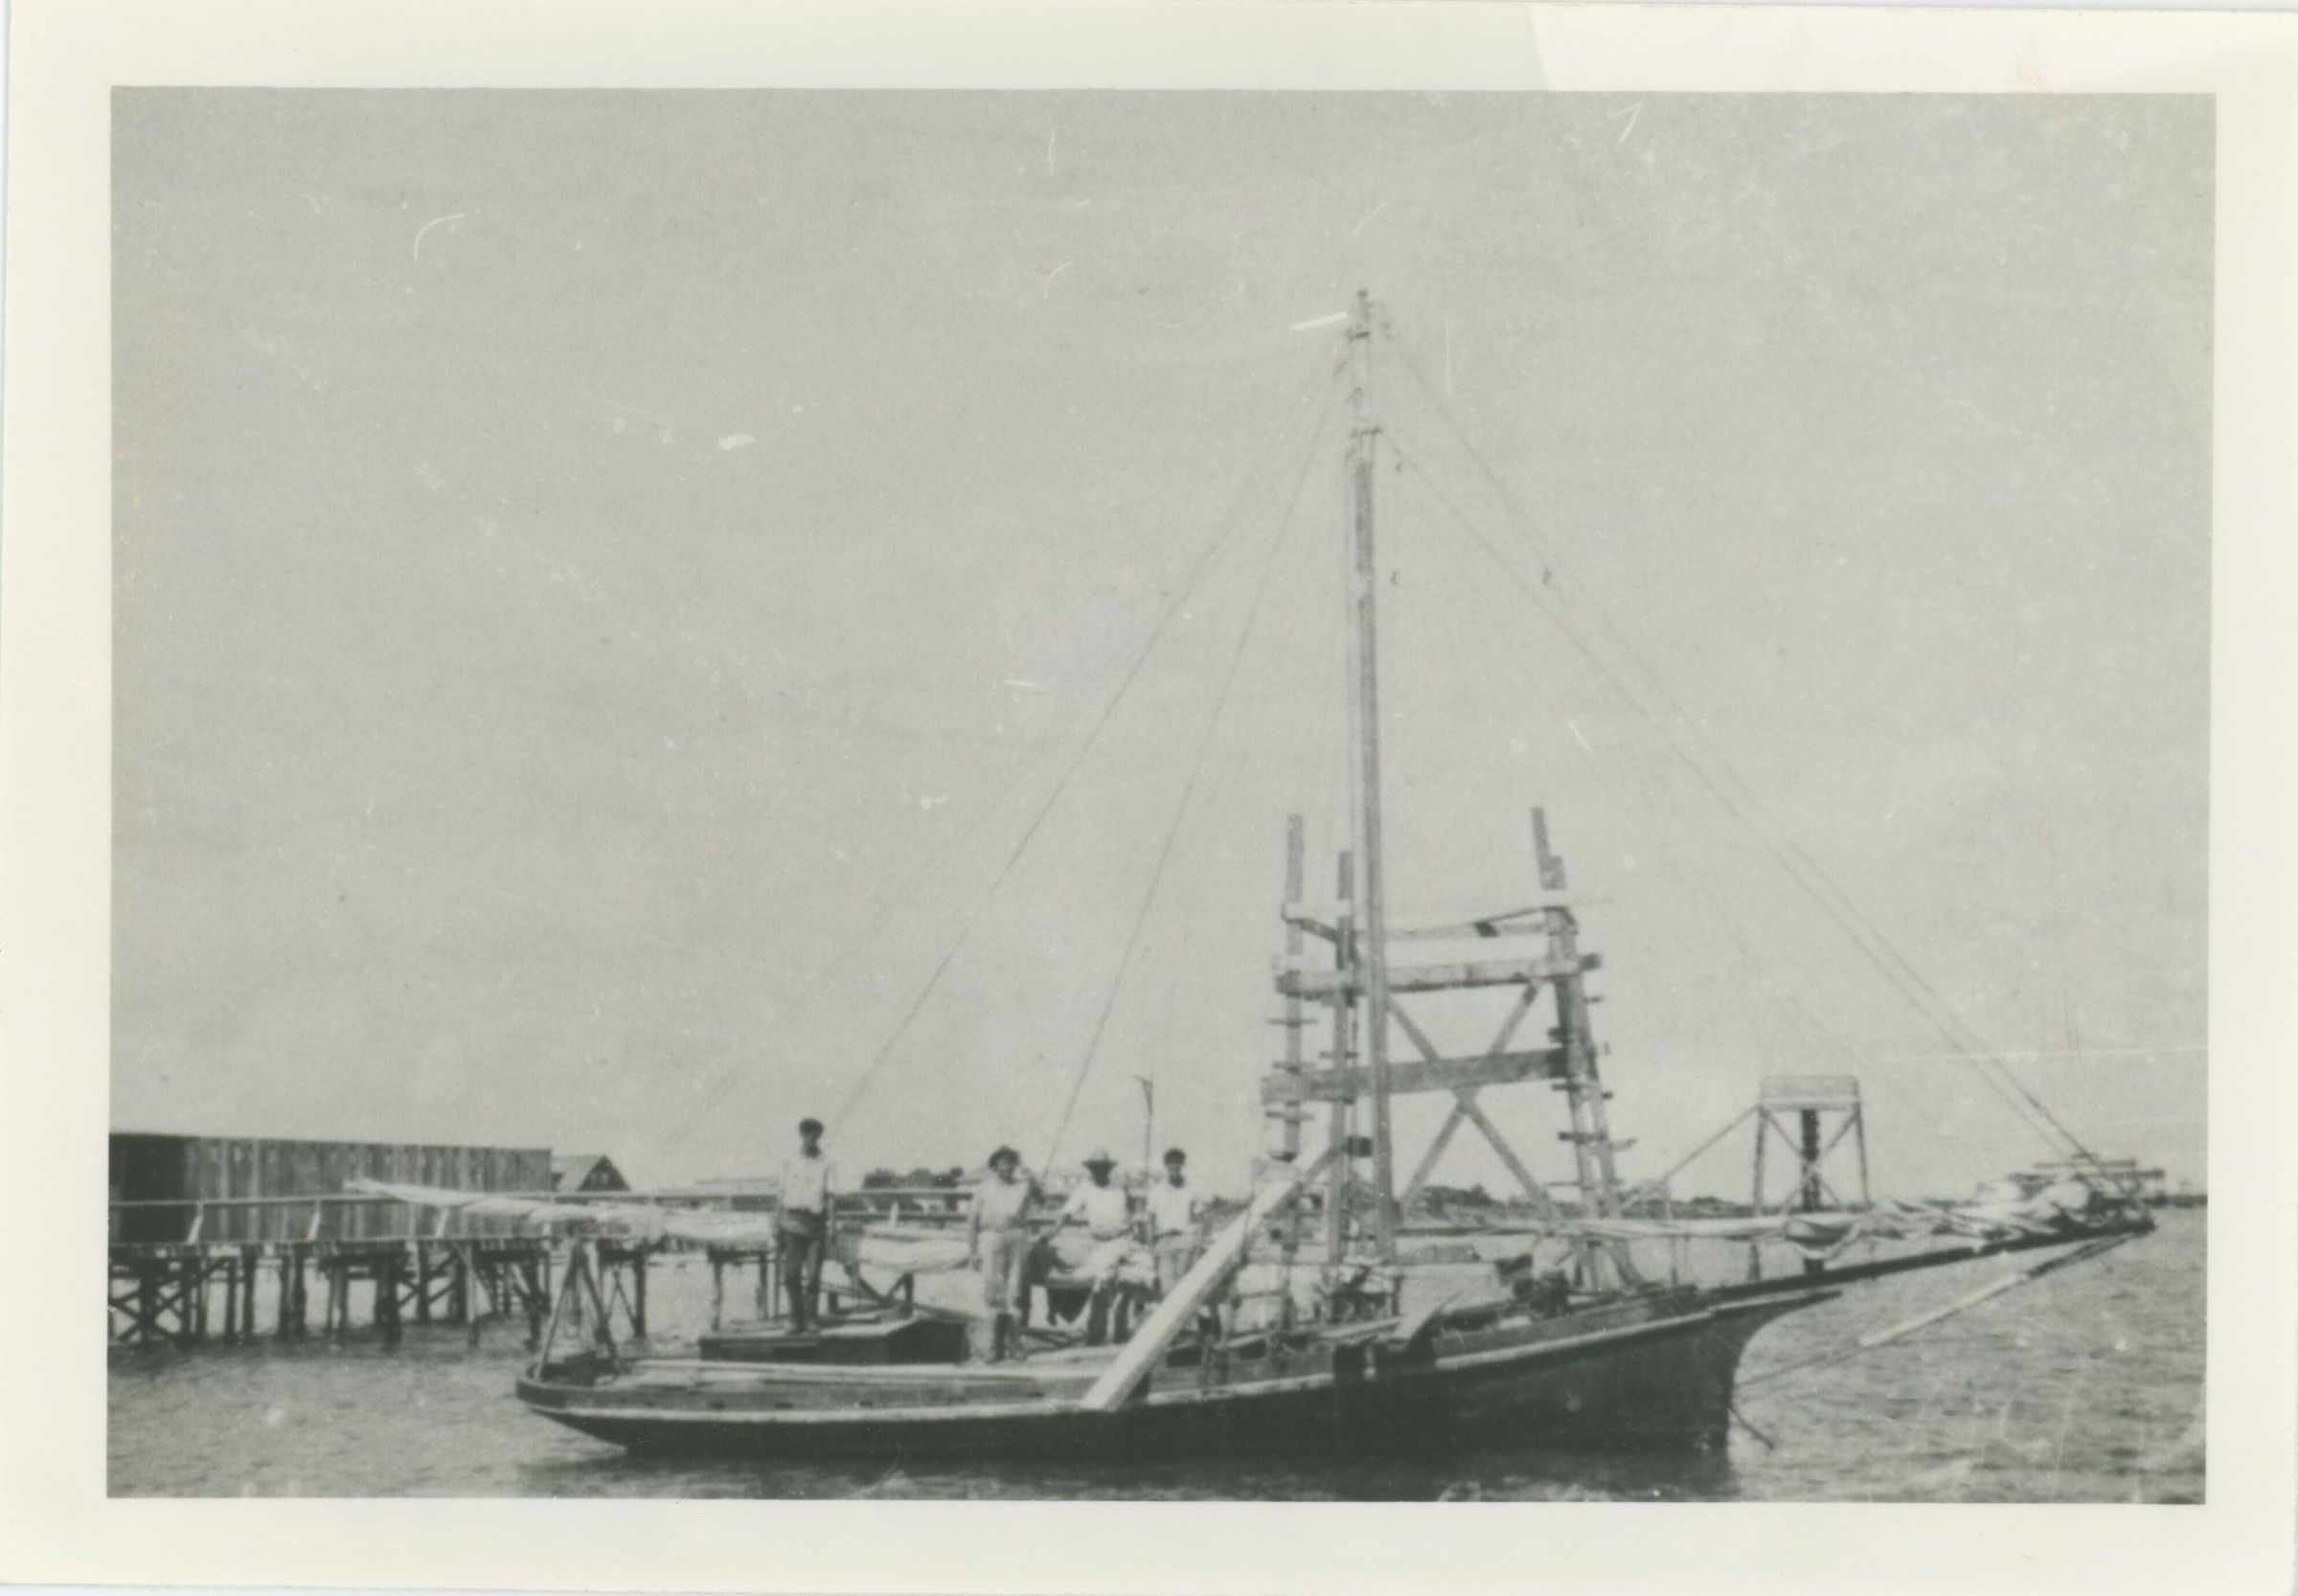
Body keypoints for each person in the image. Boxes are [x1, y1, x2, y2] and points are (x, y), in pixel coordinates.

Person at [1054, 1149, 1134, 1346]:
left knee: (1107, 1277)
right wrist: (1053, 1230)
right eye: (1096, 1168)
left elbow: (1131, 1211)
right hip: (1098, 1242)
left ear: (1109, 1169)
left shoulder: (1119, 1188)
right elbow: (1068, 1211)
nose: (1099, 1171)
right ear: (1091, 1169)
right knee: (1096, 1281)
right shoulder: (1085, 1188)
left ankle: (1107, 1329)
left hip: (1120, 1240)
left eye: (1103, 1168)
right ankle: (1096, 1332)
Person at [968, 1145, 1038, 1362]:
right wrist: (973, 1251)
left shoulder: (1023, 1187)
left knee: (1015, 1292)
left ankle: (1015, 1344)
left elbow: (1041, 1199)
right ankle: (994, 1346)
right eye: (1002, 1162)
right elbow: (972, 1222)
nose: (1007, 1166)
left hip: (1016, 1239)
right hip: (991, 1239)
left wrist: (1033, 1180)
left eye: (1010, 1162)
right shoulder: (983, 1188)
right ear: (995, 1166)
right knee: (993, 1293)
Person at [777, 1117, 833, 1334]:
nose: (811, 1138)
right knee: (791, 1273)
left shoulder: (826, 1162)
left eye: (815, 1134)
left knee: (813, 1275)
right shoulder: (789, 1160)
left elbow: (831, 1197)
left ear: (819, 1136)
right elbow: (780, 1194)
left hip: (816, 1226)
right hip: (791, 1223)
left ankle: (811, 1318)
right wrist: (776, 1222)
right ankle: (795, 1317)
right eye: (807, 1134)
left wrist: (833, 1225)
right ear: (801, 1135)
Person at [1146, 1146, 1200, 1298]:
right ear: (1166, 1165)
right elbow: (1150, 1220)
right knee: (1167, 1288)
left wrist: (1197, 1245)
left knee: (1184, 1286)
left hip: (1185, 1240)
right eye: (1171, 1162)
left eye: (1178, 1162)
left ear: (1182, 1165)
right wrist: (1151, 1247)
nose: (1174, 1166)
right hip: (1164, 1240)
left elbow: (1199, 1219)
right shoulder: (1156, 1191)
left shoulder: (1191, 1189)